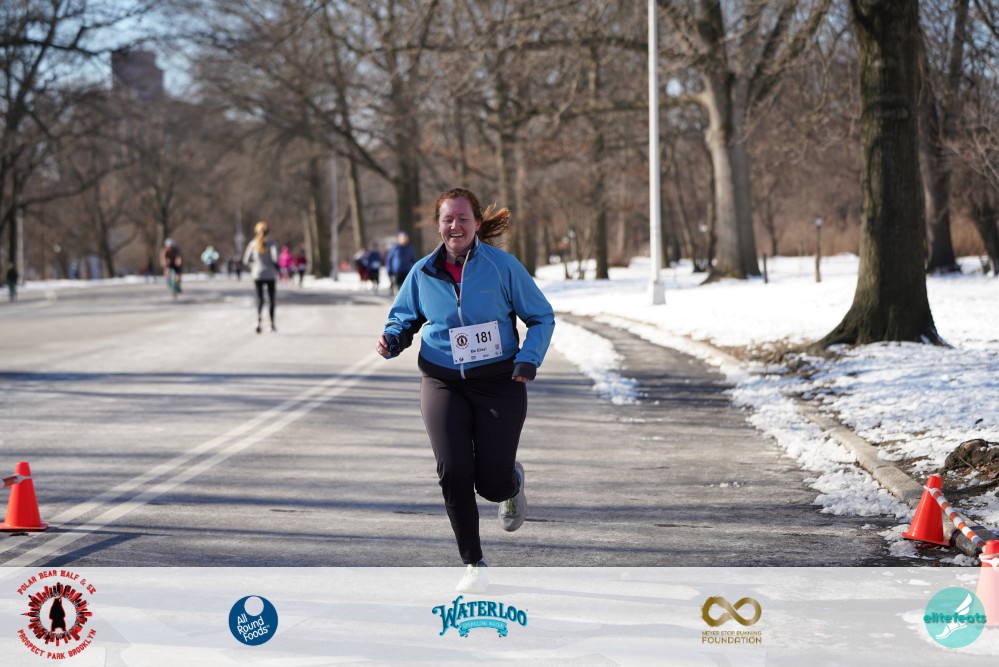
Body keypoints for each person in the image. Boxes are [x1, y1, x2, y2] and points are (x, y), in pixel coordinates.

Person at [375, 187, 555, 594]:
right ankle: (473, 563)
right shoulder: (422, 273)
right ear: (438, 225)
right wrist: (393, 339)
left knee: (491, 485)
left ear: (476, 223)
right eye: (447, 219)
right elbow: (403, 318)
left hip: (500, 382)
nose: (454, 226)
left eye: (462, 218)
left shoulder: (502, 267)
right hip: (442, 380)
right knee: (453, 470)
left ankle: (511, 484)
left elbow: (541, 317)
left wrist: (529, 357)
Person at [242, 221, 280, 333]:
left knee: (260, 299)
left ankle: (258, 321)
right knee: (271, 299)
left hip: (257, 274)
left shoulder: (253, 244)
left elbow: (246, 260)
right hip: (270, 274)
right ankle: (271, 323)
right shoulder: (272, 244)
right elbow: (276, 258)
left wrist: (254, 266)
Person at [385, 231, 417, 295]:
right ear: (399, 239)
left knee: (405, 287)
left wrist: (414, 268)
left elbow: (413, 260)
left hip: (406, 271)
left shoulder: (410, 248)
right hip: (396, 271)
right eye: (403, 238)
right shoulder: (395, 248)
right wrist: (389, 270)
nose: (404, 240)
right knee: (397, 286)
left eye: (406, 238)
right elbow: (389, 259)